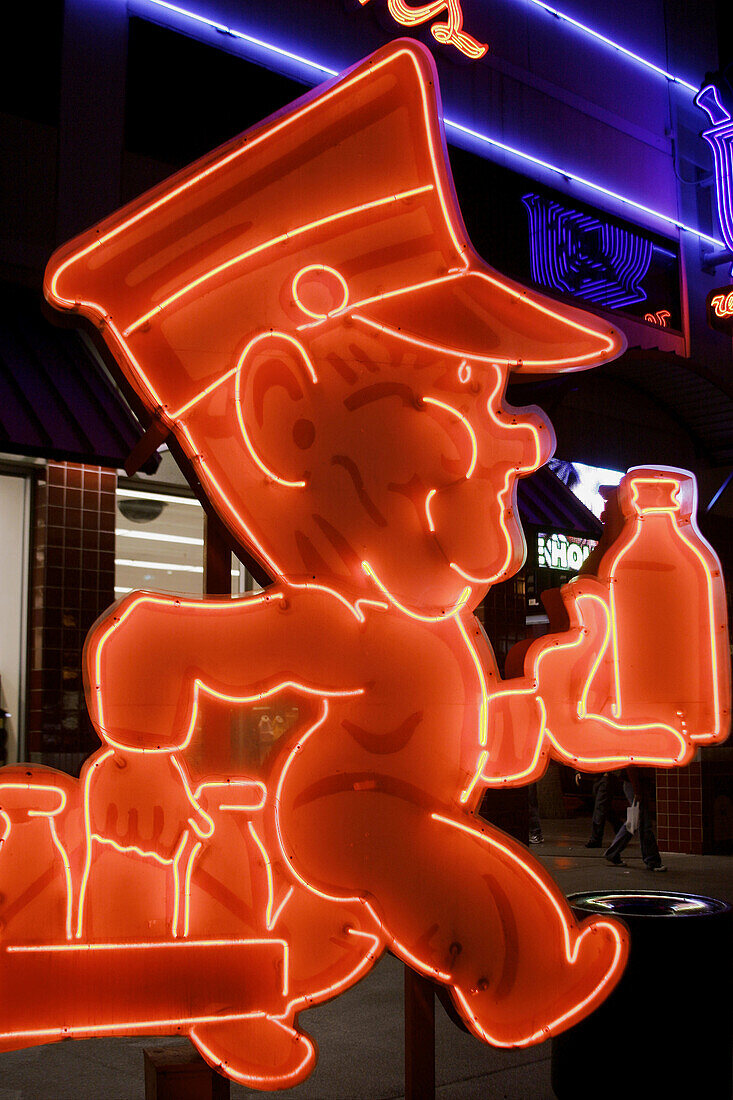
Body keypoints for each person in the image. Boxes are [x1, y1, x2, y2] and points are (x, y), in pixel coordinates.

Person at [605, 767, 667, 870]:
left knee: (634, 821)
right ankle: (652, 860)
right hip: (636, 785)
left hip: (636, 785)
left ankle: (613, 853)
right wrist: (637, 790)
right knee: (644, 824)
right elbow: (632, 768)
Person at [585, 771, 623, 847]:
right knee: (604, 807)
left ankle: (596, 838)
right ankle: (620, 828)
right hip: (601, 776)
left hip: (602, 776)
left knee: (600, 807)